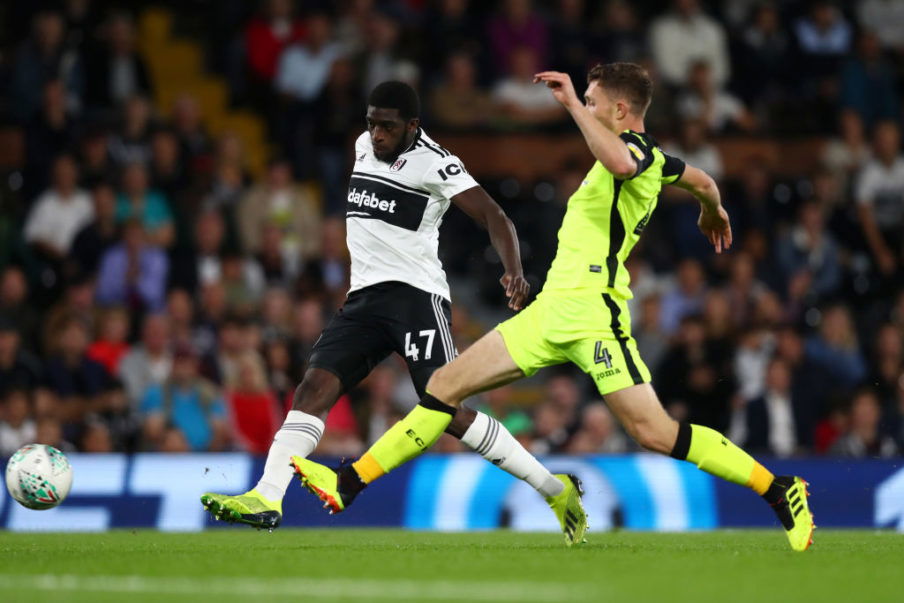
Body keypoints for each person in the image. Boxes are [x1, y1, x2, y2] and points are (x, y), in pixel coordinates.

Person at [292, 63, 815, 552]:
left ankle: (779, 489)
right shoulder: (658, 161)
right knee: (442, 387)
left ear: (619, 110)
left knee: (655, 433)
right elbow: (702, 179)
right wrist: (712, 208)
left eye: (593, 101)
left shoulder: (636, 152)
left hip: (594, 316)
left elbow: (621, 162)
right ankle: (349, 483)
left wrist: (570, 106)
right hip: (549, 312)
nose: (586, 106)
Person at [201, 81, 587, 544]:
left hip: (416, 299)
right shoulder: (363, 146)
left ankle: (554, 489)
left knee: (445, 409)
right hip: (363, 299)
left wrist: (514, 271)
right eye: (372, 124)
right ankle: (266, 497)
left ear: (412, 126)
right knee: (312, 388)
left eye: (387, 126)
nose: (377, 134)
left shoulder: (437, 163)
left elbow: (494, 216)